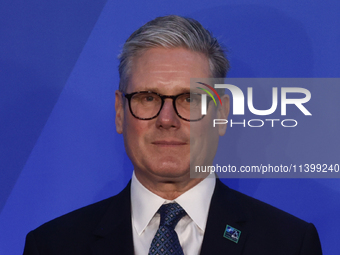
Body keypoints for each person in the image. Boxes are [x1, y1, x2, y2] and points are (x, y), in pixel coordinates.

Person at [23, 15, 322, 255]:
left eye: (190, 99)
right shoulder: (52, 246)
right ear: (119, 111)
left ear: (221, 114)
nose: (167, 120)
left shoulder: (290, 244)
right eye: (148, 98)